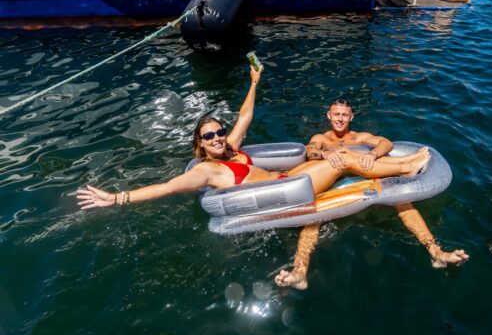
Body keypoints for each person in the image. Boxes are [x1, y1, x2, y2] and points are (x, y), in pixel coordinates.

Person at [77, 69, 432, 262]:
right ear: (199, 143)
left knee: (344, 158)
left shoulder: (230, 149)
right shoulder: (207, 170)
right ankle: (406, 167)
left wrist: (253, 82)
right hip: (283, 190)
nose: (218, 138)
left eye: (218, 131)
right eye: (210, 136)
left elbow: (245, 116)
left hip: (286, 177)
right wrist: (116, 198)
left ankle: (403, 164)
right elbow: (166, 187)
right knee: (344, 159)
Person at [274, 100, 469, 289]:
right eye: (336, 115)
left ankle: (436, 252)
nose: (340, 119)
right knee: (313, 219)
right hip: (333, 186)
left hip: (365, 180)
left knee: (403, 202)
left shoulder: (359, 137)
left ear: (351, 117)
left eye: (344, 115)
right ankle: (300, 272)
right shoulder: (322, 138)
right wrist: (325, 154)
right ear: (329, 115)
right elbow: (310, 149)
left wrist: (372, 154)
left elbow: (386, 143)